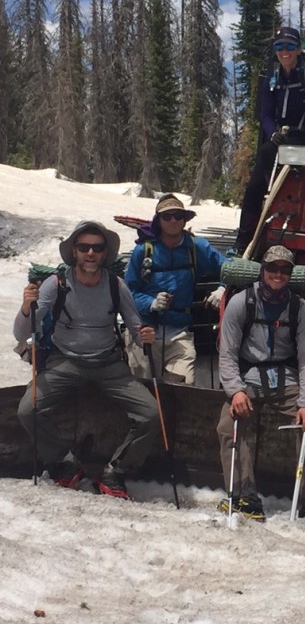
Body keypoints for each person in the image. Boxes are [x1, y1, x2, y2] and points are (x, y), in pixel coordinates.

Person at [14, 221, 159, 499]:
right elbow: (21, 332)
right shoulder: (55, 285)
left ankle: (116, 469)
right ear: (74, 252)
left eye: (97, 247)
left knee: (151, 413)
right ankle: (62, 460)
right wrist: (24, 308)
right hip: (64, 362)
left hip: (108, 364)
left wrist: (146, 337)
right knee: (26, 411)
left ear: (105, 253)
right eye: (84, 247)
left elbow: (136, 329)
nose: (90, 253)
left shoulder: (116, 286)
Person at [216, 245, 305, 530]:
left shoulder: (301, 309)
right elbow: (227, 352)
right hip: (248, 379)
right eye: (272, 268)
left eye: (284, 270)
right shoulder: (241, 302)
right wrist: (236, 391)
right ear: (262, 270)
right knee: (227, 424)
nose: (277, 275)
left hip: (287, 380)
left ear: (290, 274)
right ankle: (244, 495)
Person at [234, 27, 305, 255]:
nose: (284, 52)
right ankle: (244, 241)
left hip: (302, 136)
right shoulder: (272, 78)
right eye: (279, 47)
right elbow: (265, 113)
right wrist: (271, 131)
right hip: (278, 136)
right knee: (255, 186)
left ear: (298, 49)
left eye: (289, 47)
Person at [125, 194, 228, 384]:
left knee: (184, 388)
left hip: (180, 332)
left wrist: (222, 289)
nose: (173, 220)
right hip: (145, 331)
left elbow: (229, 269)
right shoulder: (143, 251)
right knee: (144, 390)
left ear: (184, 219)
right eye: (167, 216)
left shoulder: (197, 247)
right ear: (158, 221)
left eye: (178, 215)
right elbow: (128, 292)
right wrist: (151, 303)